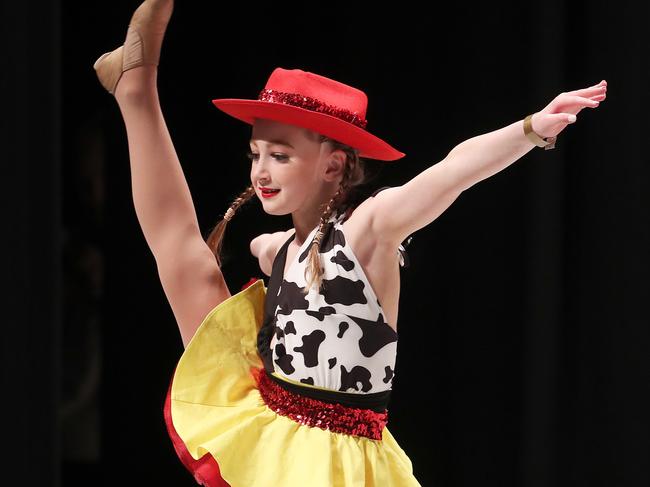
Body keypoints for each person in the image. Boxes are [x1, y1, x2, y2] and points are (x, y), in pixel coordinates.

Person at [93, 1, 607, 485]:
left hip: (340, 453)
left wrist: (531, 129)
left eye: (281, 156)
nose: (261, 172)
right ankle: (137, 93)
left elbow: (451, 172)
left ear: (333, 164)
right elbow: (253, 255)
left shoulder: (369, 228)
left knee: (191, 265)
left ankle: (136, 91)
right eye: (256, 154)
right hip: (271, 423)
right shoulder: (279, 250)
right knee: (188, 264)